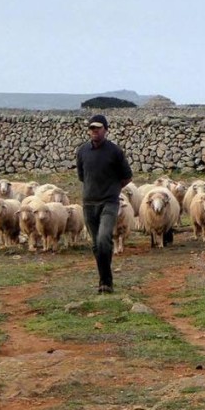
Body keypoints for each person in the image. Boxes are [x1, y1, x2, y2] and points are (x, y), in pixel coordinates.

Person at [76, 114, 133, 294]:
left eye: (98, 128)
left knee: (103, 239)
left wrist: (112, 189)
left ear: (105, 130)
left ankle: (106, 280)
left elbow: (127, 176)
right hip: (89, 203)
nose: (94, 131)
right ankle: (104, 280)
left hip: (109, 202)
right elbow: (81, 176)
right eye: (92, 128)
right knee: (96, 244)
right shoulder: (82, 151)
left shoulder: (114, 151)